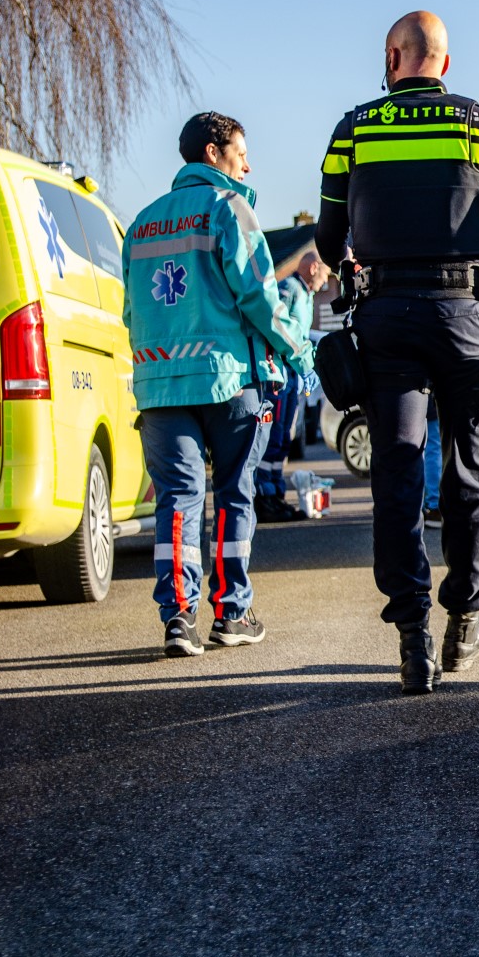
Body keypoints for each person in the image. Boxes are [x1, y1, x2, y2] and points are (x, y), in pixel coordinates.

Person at [315, 10, 479, 695]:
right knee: (469, 473)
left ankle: (411, 635)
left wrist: (373, 254)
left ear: (394, 57)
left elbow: (330, 242)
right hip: (466, 317)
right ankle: (465, 620)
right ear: (443, 61)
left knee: (398, 472)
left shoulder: (352, 129)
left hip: (385, 317)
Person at [122, 111, 316, 658]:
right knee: (234, 494)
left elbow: (131, 310)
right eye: (241, 150)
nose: (247, 163)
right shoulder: (229, 209)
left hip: (160, 388)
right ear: (213, 151)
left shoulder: (140, 224)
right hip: (230, 382)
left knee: (178, 502)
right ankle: (231, 614)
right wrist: (297, 350)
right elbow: (259, 296)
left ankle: (178, 620)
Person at [255, 252, 328, 521]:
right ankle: (265, 496)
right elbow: (274, 328)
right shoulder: (289, 289)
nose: (326, 280)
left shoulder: (305, 294)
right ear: (313, 267)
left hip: (292, 376)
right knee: (273, 438)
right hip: (280, 375)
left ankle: (275, 494)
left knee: (284, 439)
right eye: (324, 273)